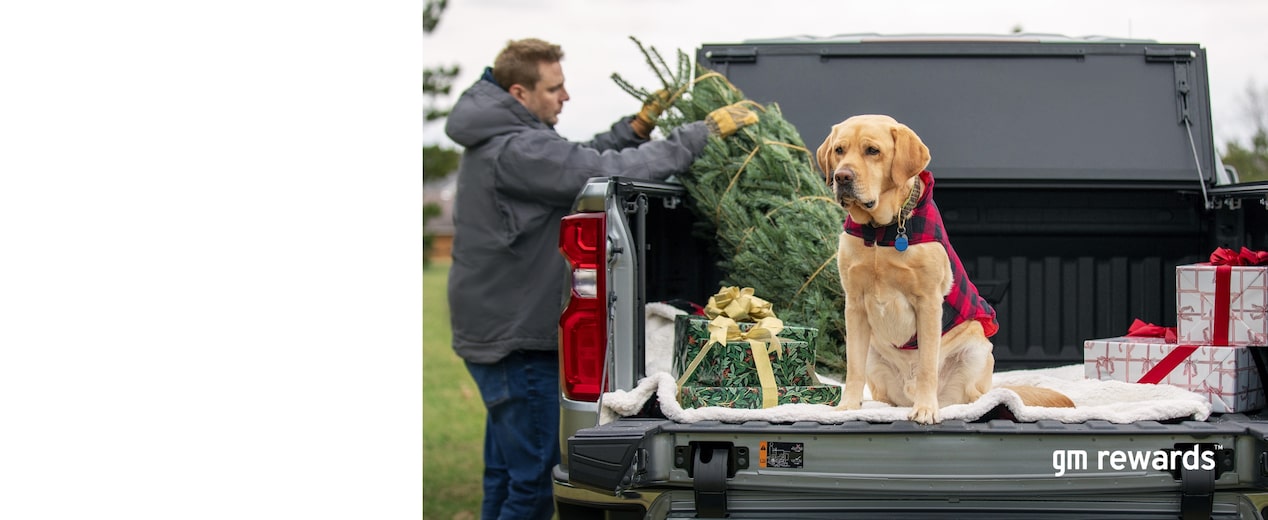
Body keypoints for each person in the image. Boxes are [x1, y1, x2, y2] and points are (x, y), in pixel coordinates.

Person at [443, 38, 758, 520]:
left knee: (505, 472)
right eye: (555, 88)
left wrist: (633, 129)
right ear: (519, 92)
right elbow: (596, 170)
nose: (565, 96)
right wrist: (697, 136)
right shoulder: (515, 149)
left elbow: (575, 157)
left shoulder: (503, 138)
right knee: (530, 482)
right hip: (516, 342)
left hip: (495, 331)